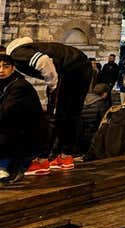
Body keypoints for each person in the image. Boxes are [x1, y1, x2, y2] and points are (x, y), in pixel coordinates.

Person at [4, 37, 92, 172]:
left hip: (69, 71)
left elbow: (43, 61)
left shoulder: (16, 53)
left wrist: (52, 85)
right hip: (81, 67)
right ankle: (66, 156)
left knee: (53, 116)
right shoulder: (35, 48)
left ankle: (42, 160)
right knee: (70, 114)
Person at [0, 54, 50, 182]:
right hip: (13, 131)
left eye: (5, 66)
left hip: (26, 135)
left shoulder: (19, 86)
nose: (1, 70)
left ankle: (4, 167)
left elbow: (6, 112)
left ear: (13, 68)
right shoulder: (7, 83)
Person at [76, 83, 111, 155]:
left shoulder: (83, 100)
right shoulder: (102, 104)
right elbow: (104, 121)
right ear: (105, 93)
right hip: (93, 138)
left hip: (79, 137)